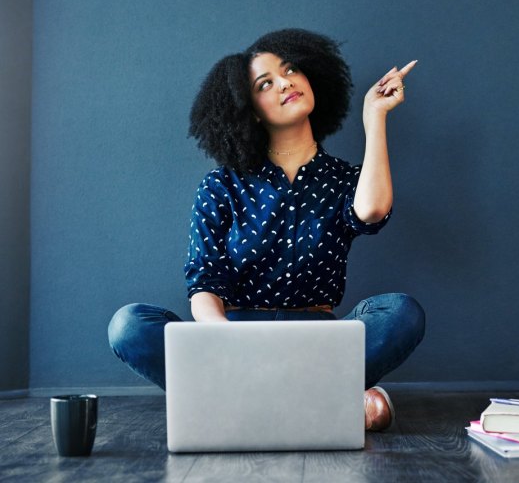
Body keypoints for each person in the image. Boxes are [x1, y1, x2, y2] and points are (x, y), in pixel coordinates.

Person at [108, 28, 425, 432]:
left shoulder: (345, 179)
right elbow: (204, 284)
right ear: (251, 110)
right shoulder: (221, 185)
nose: (285, 82)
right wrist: (229, 344)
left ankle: (246, 408)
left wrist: (373, 117)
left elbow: (373, 210)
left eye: (291, 69)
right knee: (129, 324)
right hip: (232, 342)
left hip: (318, 345)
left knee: (402, 312)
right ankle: (320, 407)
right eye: (265, 83)